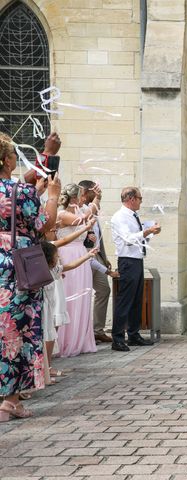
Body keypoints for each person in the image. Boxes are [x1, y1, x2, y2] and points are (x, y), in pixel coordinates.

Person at [0, 133, 61, 422]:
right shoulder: (19, 192)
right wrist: (52, 197)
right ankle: (10, 401)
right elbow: (43, 224)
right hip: (16, 267)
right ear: (8, 160)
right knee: (16, 332)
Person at [41, 218, 97, 378]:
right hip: (48, 301)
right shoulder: (46, 249)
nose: (55, 231)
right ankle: (46, 367)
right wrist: (85, 227)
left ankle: (48, 366)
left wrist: (87, 256)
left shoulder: (54, 266)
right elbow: (65, 240)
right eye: (52, 229)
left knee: (53, 328)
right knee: (49, 330)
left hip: (54, 298)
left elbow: (70, 266)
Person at [111, 186, 161, 351]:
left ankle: (133, 334)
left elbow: (138, 239)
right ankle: (117, 338)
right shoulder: (120, 217)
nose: (141, 201)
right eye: (140, 198)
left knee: (137, 299)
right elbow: (127, 239)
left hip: (136, 259)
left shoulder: (133, 215)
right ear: (131, 198)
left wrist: (149, 233)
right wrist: (146, 231)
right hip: (127, 260)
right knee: (125, 300)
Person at [55, 183, 100, 357]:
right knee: (70, 297)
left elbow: (90, 213)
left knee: (82, 296)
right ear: (74, 197)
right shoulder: (62, 214)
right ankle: (66, 342)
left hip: (81, 254)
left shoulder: (79, 211)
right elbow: (83, 219)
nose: (83, 199)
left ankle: (80, 339)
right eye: (81, 196)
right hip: (68, 254)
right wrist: (95, 200)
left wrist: (97, 197)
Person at [78, 179, 119, 343]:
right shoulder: (79, 211)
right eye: (95, 192)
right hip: (83, 257)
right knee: (83, 294)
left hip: (96, 257)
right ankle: (83, 331)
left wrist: (105, 258)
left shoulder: (91, 211)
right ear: (86, 192)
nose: (97, 195)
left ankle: (97, 329)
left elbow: (98, 238)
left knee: (104, 290)